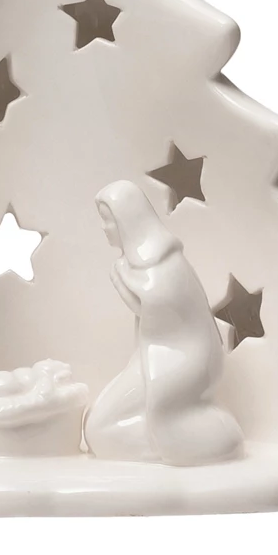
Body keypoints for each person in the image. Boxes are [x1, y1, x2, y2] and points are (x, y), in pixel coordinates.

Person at [84, 180, 243, 466]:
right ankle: (166, 442)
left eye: (108, 220)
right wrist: (124, 279)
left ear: (127, 221)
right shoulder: (131, 265)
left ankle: (210, 439)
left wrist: (125, 282)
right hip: (150, 356)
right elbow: (148, 309)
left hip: (184, 359)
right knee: (97, 426)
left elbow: (159, 306)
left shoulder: (167, 262)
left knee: (118, 424)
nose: (104, 228)